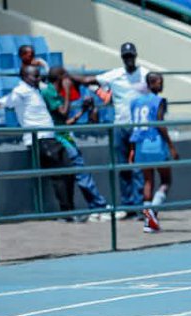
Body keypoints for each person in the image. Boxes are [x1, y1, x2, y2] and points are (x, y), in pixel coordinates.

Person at [72, 43, 149, 219]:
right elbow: (88, 81)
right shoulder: (115, 75)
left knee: (138, 167)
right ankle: (128, 205)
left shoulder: (145, 74)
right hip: (120, 126)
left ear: (135, 56)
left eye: (131, 56)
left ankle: (139, 206)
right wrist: (66, 76)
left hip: (139, 126)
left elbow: (156, 92)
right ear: (122, 58)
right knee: (122, 166)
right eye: (126, 56)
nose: (129, 59)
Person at [0, 65, 74, 220]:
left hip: (50, 137)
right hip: (40, 140)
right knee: (60, 175)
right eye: (35, 76)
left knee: (69, 170)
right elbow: (7, 101)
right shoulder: (21, 91)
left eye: (38, 76)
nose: (38, 79)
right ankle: (67, 213)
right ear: (24, 76)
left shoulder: (35, 88)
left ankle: (70, 211)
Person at [42, 66, 109, 221]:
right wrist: (66, 90)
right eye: (65, 77)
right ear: (59, 78)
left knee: (80, 171)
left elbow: (66, 121)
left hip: (65, 134)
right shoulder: (49, 92)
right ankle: (99, 206)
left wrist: (82, 111)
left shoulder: (55, 91)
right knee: (81, 171)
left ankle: (96, 206)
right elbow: (63, 112)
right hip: (58, 138)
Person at [128, 72, 178, 234]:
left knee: (147, 181)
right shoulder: (159, 101)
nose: (162, 85)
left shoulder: (135, 102)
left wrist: (133, 149)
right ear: (151, 84)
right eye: (159, 82)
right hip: (155, 142)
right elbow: (159, 123)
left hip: (141, 144)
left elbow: (135, 126)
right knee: (166, 180)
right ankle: (152, 217)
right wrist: (171, 146)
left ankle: (148, 221)